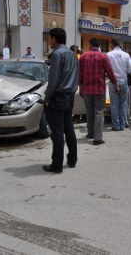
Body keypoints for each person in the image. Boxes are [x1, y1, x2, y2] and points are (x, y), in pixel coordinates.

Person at [42, 28, 79, 173]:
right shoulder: (72, 55)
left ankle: (56, 165)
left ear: (54, 39)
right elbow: (76, 77)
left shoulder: (57, 54)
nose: (48, 41)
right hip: (69, 96)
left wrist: (47, 97)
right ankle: (72, 159)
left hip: (58, 96)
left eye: (49, 38)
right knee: (69, 129)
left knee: (57, 133)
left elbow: (54, 79)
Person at [79, 38, 119, 145]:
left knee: (90, 112)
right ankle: (97, 138)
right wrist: (116, 83)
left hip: (87, 90)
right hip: (99, 90)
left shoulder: (83, 57)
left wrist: (80, 88)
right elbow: (110, 72)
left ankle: (91, 133)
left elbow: (79, 75)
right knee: (99, 113)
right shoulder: (103, 56)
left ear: (90, 45)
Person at [107, 39, 131, 131]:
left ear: (112, 44)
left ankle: (116, 125)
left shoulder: (109, 55)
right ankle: (122, 125)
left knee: (114, 105)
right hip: (124, 81)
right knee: (123, 105)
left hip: (113, 82)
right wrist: (123, 72)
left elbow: (106, 70)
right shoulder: (126, 55)